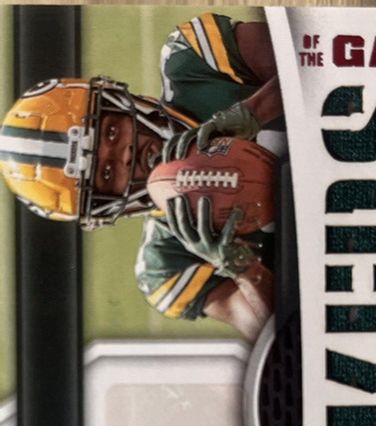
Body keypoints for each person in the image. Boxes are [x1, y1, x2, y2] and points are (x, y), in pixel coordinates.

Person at [0, 13, 283, 340]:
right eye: (107, 173)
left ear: (117, 100)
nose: (125, 155)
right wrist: (243, 268)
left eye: (111, 132)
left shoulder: (192, 59)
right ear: (106, 206)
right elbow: (287, 337)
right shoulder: (165, 266)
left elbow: (318, 52)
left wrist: (255, 110)